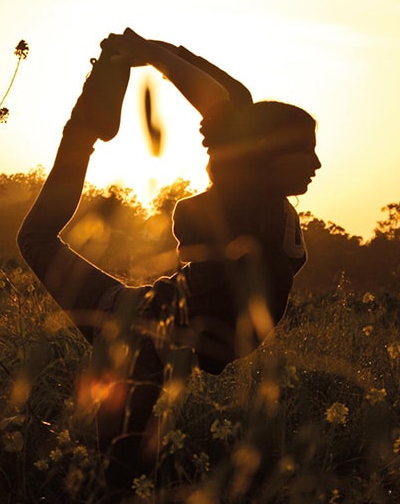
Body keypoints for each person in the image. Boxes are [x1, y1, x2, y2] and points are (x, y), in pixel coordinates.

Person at [16, 28, 322, 490]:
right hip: (136, 332)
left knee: (119, 470)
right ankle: (85, 125)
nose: (317, 164)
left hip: (139, 321)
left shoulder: (270, 206)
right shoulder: (245, 192)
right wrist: (154, 53)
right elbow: (220, 102)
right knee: (118, 471)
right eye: (306, 152)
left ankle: (92, 113)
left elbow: (233, 100)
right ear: (265, 152)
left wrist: (159, 52)